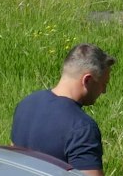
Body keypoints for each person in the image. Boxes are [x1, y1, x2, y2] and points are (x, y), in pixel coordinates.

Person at [12, 43, 116, 174]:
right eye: (103, 84)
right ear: (87, 80)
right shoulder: (82, 127)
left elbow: (13, 158)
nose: (104, 91)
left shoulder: (27, 103)